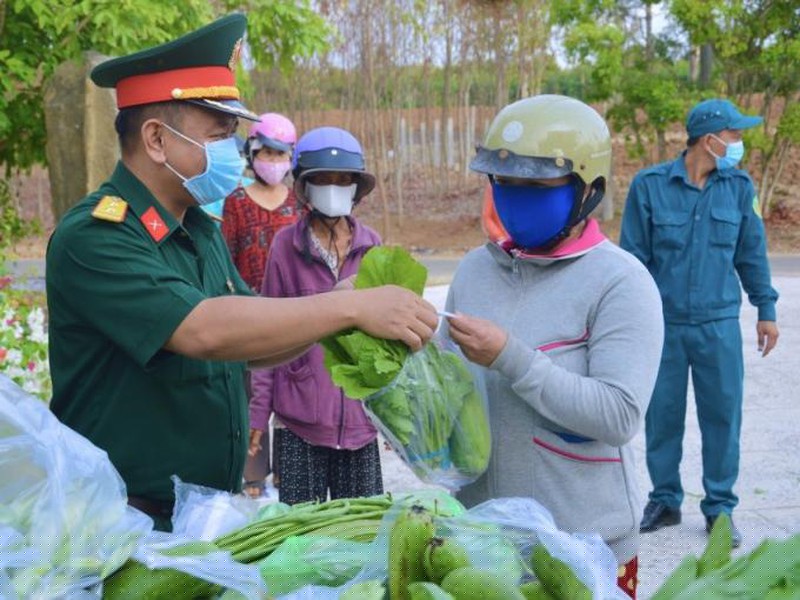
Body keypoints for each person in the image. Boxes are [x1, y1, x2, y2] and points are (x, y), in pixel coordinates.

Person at [45, 14, 438, 532]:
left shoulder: (199, 229)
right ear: (157, 140)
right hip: (122, 522)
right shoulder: (97, 236)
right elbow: (203, 330)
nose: (235, 155)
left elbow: (250, 345)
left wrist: (342, 309)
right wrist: (348, 306)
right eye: (220, 135)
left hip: (197, 515)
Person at [442, 94, 664, 598]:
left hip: (585, 546)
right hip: (483, 542)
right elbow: (447, 383)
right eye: (505, 183)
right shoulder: (475, 270)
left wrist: (510, 357)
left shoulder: (621, 282)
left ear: (588, 188)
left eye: (536, 185)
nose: (516, 196)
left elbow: (618, 415)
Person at [619, 98, 780, 548]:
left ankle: (720, 509)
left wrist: (765, 309)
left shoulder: (738, 187)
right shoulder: (648, 186)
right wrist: (626, 325)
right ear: (709, 139)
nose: (738, 143)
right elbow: (633, 261)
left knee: (722, 418)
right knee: (662, 416)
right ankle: (666, 500)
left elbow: (751, 251)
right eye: (733, 136)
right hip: (663, 325)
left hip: (718, 324)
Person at [249, 127, 385, 505]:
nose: (333, 187)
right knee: (302, 542)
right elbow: (267, 333)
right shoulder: (285, 248)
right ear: (305, 187)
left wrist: (389, 413)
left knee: (359, 538)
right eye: (323, 179)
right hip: (299, 425)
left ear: (356, 188)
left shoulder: (372, 246)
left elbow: (386, 341)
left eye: (343, 180)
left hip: (360, 425)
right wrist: (258, 415)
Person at [221, 113, 299, 497]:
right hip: (250, 313)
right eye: (266, 152)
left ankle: (288, 469)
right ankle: (253, 474)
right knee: (251, 392)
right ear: (252, 154)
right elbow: (226, 258)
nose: (273, 160)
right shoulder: (235, 203)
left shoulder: (299, 203)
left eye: (280, 154)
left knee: (288, 391)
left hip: (293, 313)